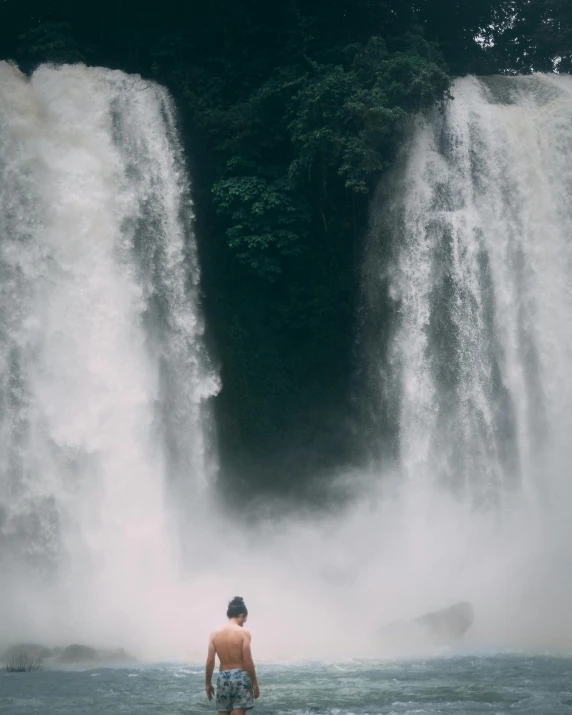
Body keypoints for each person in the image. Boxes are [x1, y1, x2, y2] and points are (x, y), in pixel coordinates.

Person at [205, 596, 260, 713]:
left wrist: (208, 683)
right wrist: (255, 682)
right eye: (245, 618)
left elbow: (210, 661)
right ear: (241, 615)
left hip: (223, 678)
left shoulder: (214, 634)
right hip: (241, 677)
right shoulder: (244, 633)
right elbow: (248, 660)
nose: (245, 621)